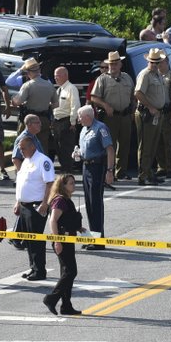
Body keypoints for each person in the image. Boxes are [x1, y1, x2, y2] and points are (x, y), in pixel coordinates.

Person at [12, 135, 55, 281]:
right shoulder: (26, 161)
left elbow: (50, 184)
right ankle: (33, 268)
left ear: (32, 146)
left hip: (37, 206)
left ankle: (40, 271)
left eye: (23, 148)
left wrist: (45, 203)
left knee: (35, 239)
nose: (21, 151)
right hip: (24, 206)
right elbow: (21, 183)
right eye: (20, 149)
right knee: (28, 240)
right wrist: (18, 202)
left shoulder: (43, 161)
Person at [43, 173, 85, 316]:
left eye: (74, 182)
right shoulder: (59, 200)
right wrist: (57, 241)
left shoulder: (66, 200)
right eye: (71, 183)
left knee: (66, 273)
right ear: (63, 186)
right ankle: (51, 299)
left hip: (68, 239)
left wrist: (78, 228)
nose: (74, 185)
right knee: (70, 272)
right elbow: (53, 221)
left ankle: (66, 306)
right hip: (62, 240)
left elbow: (66, 220)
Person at [90, 51, 134, 181]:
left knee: (125, 144)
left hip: (125, 114)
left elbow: (132, 95)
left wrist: (133, 108)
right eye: (110, 64)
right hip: (110, 117)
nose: (113, 66)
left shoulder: (127, 77)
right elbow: (94, 97)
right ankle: (110, 172)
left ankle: (121, 171)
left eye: (115, 63)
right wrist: (105, 106)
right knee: (110, 145)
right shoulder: (102, 79)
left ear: (120, 64)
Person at [76, 105, 114, 249]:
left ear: (88, 116)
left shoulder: (100, 128)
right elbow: (84, 148)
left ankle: (99, 240)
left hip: (97, 168)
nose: (78, 119)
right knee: (89, 203)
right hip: (86, 167)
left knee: (96, 204)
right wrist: (78, 154)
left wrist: (109, 171)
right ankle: (93, 237)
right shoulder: (83, 130)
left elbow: (110, 149)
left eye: (80, 116)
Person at [134, 48, 167, 186]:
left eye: (157, 62)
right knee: (146, 145)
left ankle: (149, 172)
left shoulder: (157, 74)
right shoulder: (145, 75)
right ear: (148, 61)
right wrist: (150, 107)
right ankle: (143, 175)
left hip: (157, 113)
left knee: (153, 145)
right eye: (152, 62)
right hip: (147, 113)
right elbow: (138, 93)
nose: (154, 64)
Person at [12, 57, 55, 154]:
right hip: (44, 119)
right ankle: (43, 167)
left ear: (28, 72)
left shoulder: (27, 85)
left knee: (24, 144)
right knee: (43, 146)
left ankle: (25, 166)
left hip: (29, 120)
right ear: (39, 70)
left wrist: (12, 100)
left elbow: (17, 101)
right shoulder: (49, 85)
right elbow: (56, 104)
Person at [153, 56, 171, 180]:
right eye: (157, 62)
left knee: (168, 141)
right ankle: (161, 167)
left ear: (167, 62)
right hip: (156, 113)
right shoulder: (154, 77)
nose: (159, 64)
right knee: (157, 141)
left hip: (167, 111)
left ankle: (170, 168)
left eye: (161, 62)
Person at [52, 66, 80, 173]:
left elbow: (75, 105)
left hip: (66, 121)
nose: (56, 78)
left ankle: (67, 171)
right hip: (57, 122)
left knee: (67, 148)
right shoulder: (59, 89)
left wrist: (73, 122)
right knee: (58, 148)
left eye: (58, 76)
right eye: (55, 76)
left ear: (65, 76)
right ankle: (64, 169)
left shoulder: (71, 88)